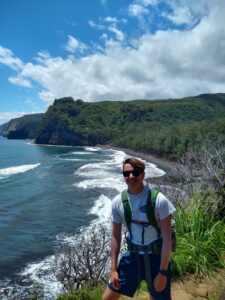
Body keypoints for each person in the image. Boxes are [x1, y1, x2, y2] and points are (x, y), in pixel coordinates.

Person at [102, 157, 176, 300]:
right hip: (132, 256)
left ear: (143, 174)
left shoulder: (159, 200)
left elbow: (167, 239)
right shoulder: (118, 202)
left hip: (156, 258)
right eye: (126, 173)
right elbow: (115, 236)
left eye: (135, 172)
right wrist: (113, 270)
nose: (130, 176)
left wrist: (162, 272)